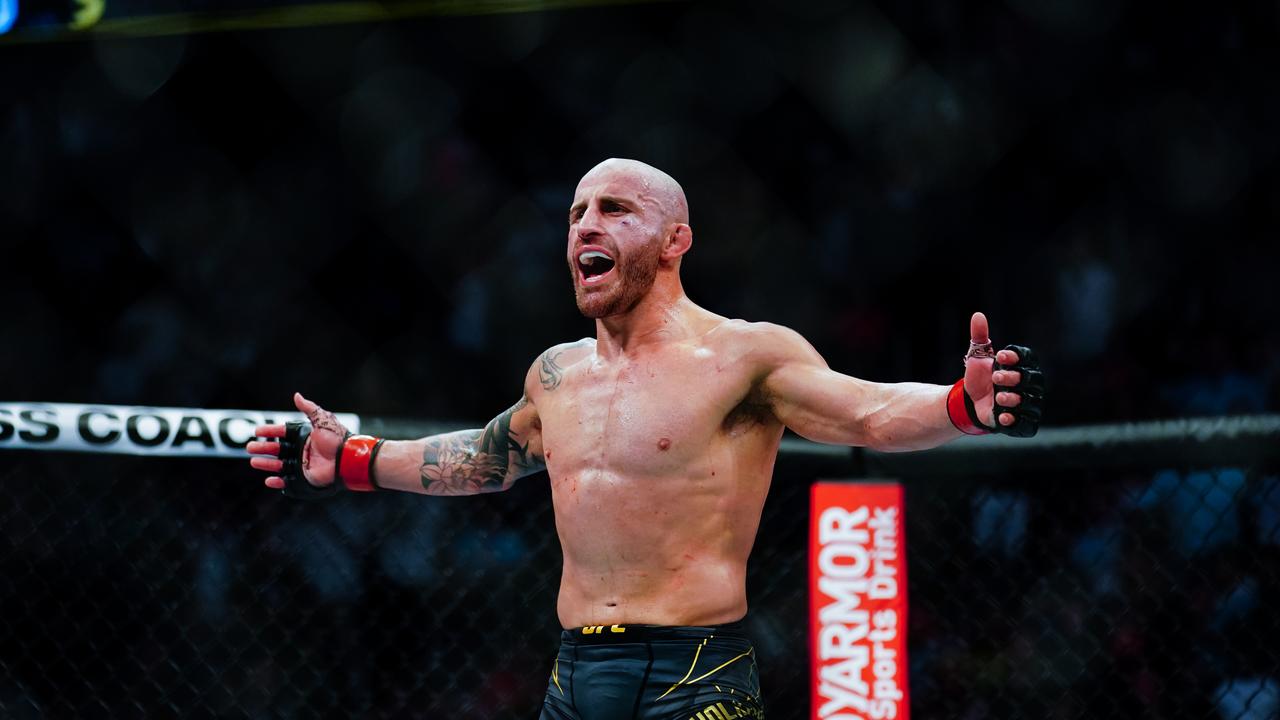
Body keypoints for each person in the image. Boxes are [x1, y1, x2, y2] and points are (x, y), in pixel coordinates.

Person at [247, 158, 1044, 719]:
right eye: (576, 214)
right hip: (574, 671)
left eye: (614, 210)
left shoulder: (745, 354)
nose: (585, 226)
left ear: (675, 243)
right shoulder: (556, 374)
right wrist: (353, 459)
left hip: (694, 672)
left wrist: (960, 406)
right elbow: (487, 459)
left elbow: (866, 413)